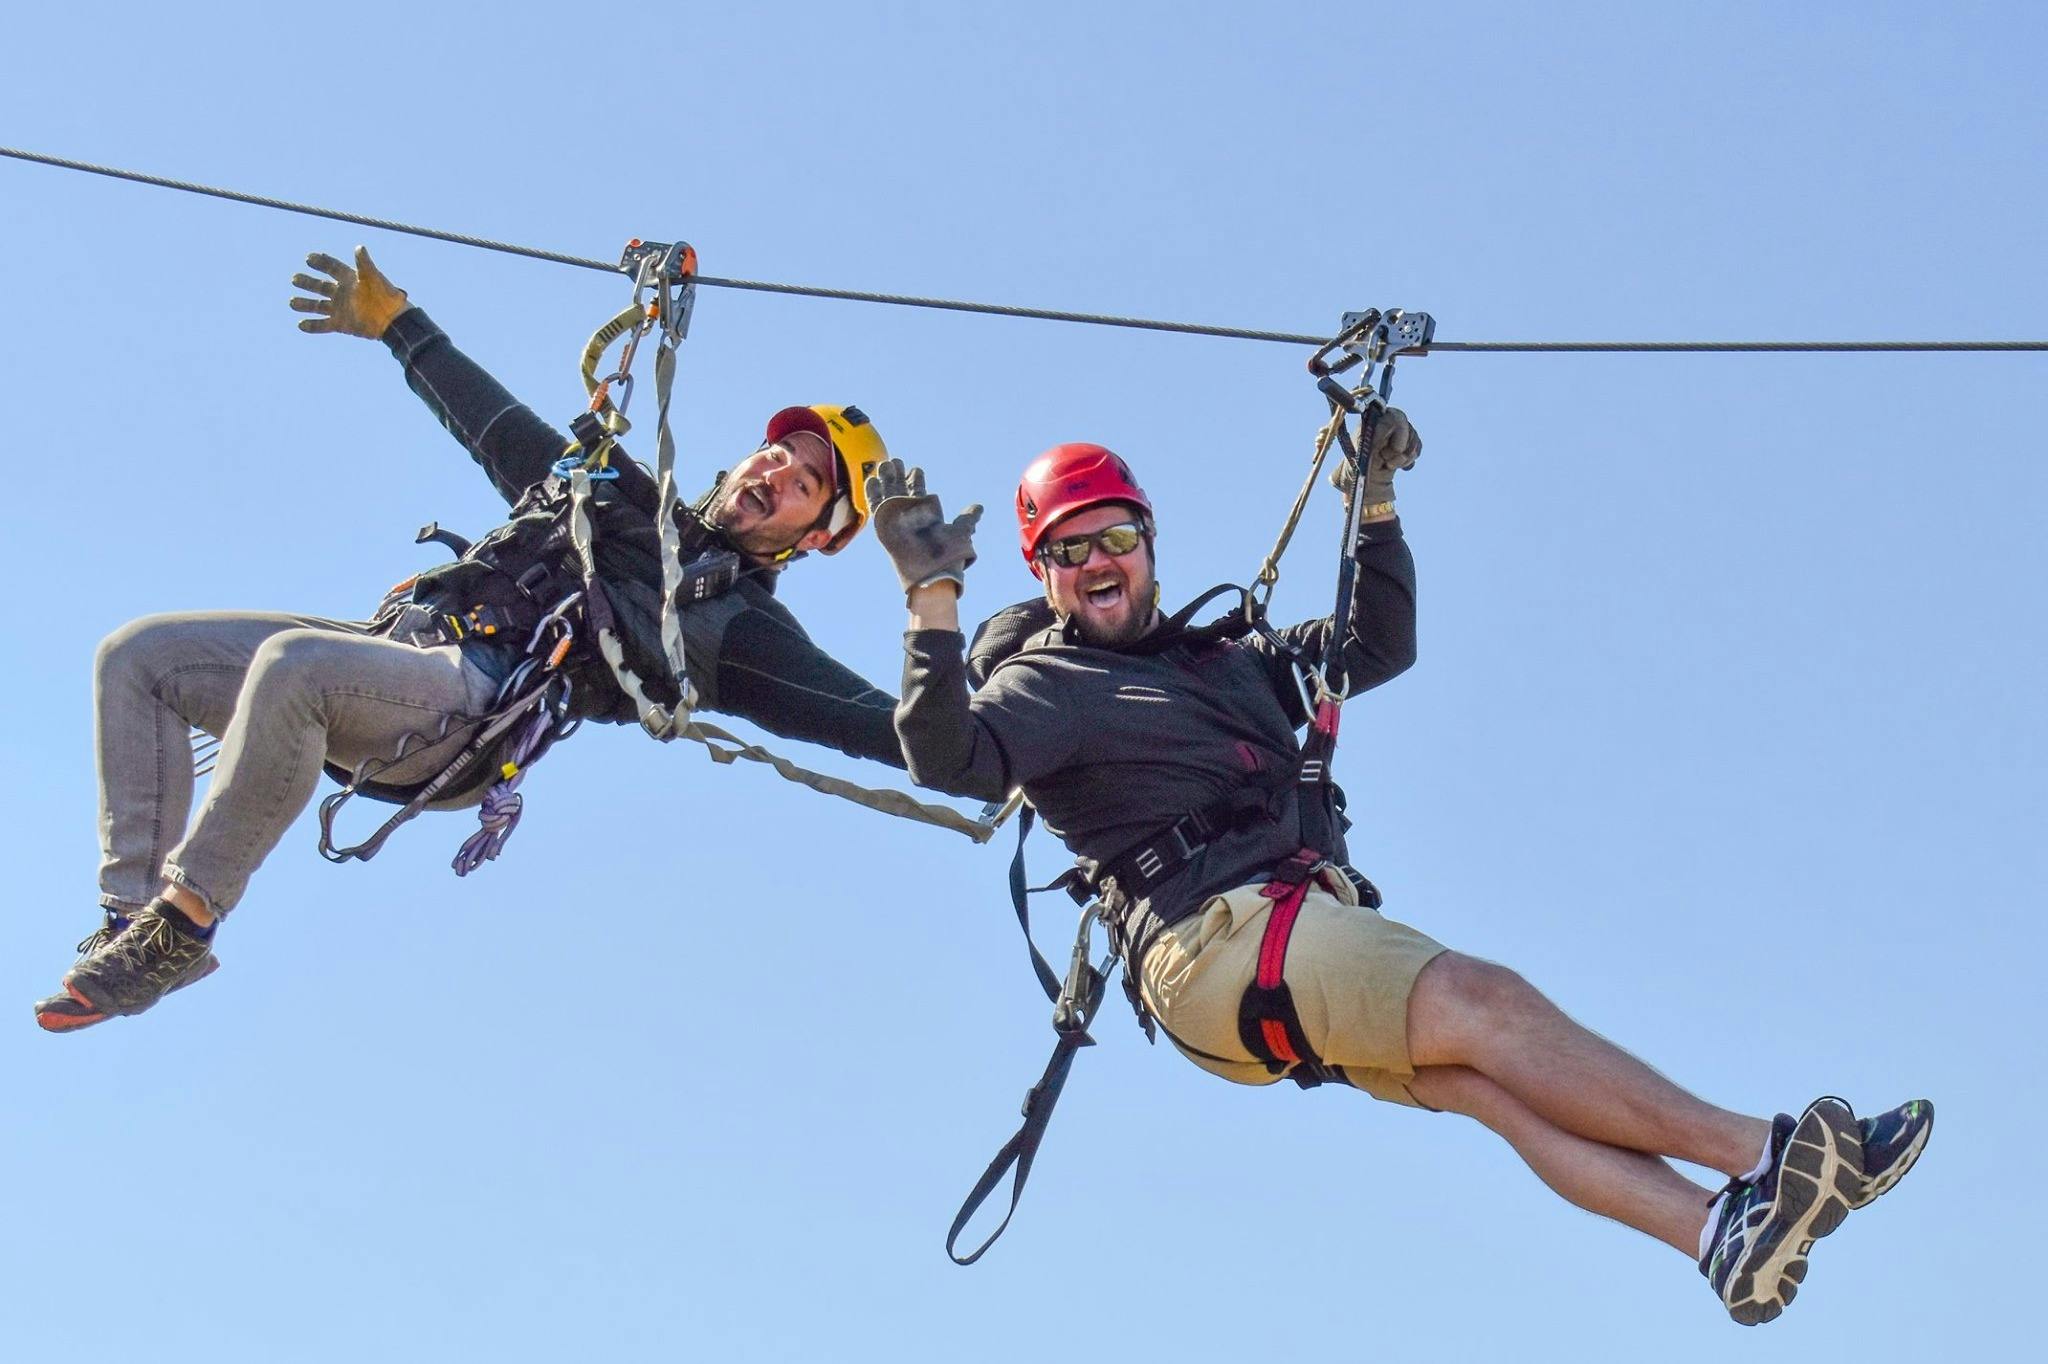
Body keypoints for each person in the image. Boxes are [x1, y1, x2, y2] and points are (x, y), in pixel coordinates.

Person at [863, 420, 1933, 1324]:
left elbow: (1373, 646)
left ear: (1149, 542)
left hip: (1271, 944)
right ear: (1041, 574)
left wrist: (1370, 498)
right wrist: (932, 599)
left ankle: (1711, 1235)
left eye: (1117, 536)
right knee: (1483, 1000)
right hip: (1217, 944)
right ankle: (1776, 1155)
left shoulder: (1221, 662)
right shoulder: (1045, 683)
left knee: (1483, 1081)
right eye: (1068, 549)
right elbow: (950, 754)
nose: (1098, 561)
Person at [36, 246, 907, 1033]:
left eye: (805, 483)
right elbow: (498, 426)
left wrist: (1003, 736)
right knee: (138, 656)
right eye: (777, 454)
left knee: (294, 668)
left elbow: (876, 722)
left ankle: (184, 926)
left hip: (472, 710)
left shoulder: (738, 628)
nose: (776, 474)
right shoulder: (611, 496)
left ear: (815, 536)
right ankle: (131, 925)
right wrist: (399, 325)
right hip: (400, 650)